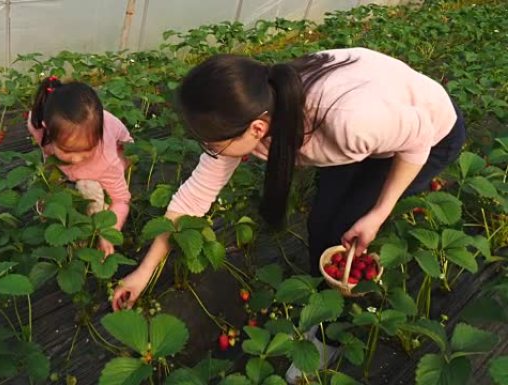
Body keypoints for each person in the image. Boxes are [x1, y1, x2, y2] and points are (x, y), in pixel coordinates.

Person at [111, 47, 465, 383]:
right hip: (374, 123)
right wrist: (144, 272)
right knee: (324, 221)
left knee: (341, 229)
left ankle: (332, 334)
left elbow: (417, 141)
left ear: (256, 130)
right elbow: (192, 200)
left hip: (429, 133)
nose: (208, 149)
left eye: (211, 143)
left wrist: (378, 213)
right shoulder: (257, 104)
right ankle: (327, 297)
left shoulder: (347, 122)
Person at [27, 76, 133, 256]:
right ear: (48, 130)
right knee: (52, 185)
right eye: (67, 151)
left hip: (115, 157)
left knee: (89, 189)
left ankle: (87, 232)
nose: (76, 159)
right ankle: (63, 220)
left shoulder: (106, 160)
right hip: (73, 147)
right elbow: (49, 158)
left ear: (98, 139)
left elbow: (121, 200)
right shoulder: (38, 125)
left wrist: (109, 232)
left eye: (86, 150)